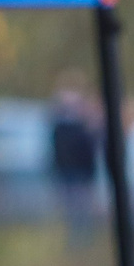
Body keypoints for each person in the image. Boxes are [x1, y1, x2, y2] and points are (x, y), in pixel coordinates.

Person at [48, 75, 100, 230]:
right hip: (72, 172)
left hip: (76, 172)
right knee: (74, 210)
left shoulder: (71, 128)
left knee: (79, 210)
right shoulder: (67, 128)